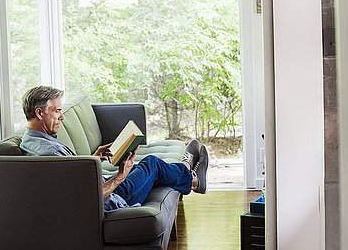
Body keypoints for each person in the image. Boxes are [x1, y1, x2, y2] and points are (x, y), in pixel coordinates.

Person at [19, 86, 209, 214]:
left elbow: (75, 176)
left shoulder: (32, 141)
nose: (62, 117)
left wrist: (94, 158)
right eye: (57, 111)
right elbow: (88, 197)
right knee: (152, 164)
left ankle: (186, 168)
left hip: (103, 184)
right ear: (39, 113)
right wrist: (120, 176)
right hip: (115, 197)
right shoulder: (49, 153)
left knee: (145, 168)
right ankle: (192, 178)